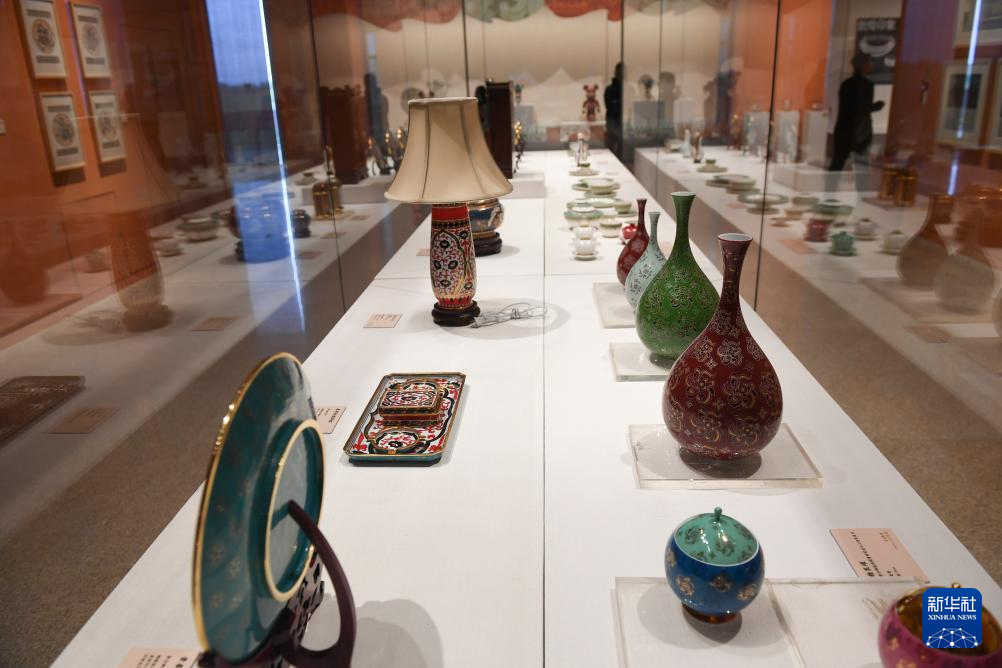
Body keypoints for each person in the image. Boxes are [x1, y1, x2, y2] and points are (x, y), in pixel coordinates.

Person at [829, 53, 884, 173]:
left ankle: (830, 185)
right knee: (861, 169)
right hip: (859, 132)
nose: (871, 65)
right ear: (863, 65)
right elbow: (861, 108)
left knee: (837, 164)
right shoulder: (866, 85)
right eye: (869, 63)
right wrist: (877, 106)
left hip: (844, 129)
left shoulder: (846, 84)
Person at [604, 62, 623, 158]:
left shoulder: (629, 89)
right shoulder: (609, 89)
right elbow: (609, 106)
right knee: (611, 148)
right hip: (613, 121)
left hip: (622, 122)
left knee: (622, 149)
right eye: (620, 72)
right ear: (616, 73)